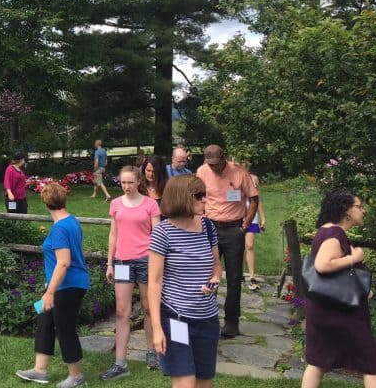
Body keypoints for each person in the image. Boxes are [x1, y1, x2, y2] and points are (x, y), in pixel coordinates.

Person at [148, 175, 222, 388]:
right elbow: (154, 282)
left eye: (205, 195)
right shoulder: (163, 233)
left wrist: (214, 279)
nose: (205, 200)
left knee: (203, 383)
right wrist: (157, 328)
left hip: (207, 319)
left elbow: (216, 266)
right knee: (186, 382)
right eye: (199, 196)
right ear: (182, 197)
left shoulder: (208, 227)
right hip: (176, 318)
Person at [302, 191, 376, 388]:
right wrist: (355, 257)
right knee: (372, 363)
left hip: (323, 308)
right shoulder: (334, 233)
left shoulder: (325, 230)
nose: (363, 211)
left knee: (317, 362)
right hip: (338, 312)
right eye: (359, 207)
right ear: (346, 211)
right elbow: (323, 265)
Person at [16, 182, 89, 388]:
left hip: (68, 286)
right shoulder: (71, 221)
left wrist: (49, 292)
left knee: (64, 328)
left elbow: (64, 262)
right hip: (62, 284)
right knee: (45, 322)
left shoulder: (59, 228)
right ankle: (40, 370)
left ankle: (76, 376)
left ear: (45, 203)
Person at [100, 165, 161, 380]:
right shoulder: (116, 204)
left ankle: (152, 351)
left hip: (146, 261)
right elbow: (113, 234)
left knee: (148, 308)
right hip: (123, 262)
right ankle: (120, 362)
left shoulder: (151, 204)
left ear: (138, 182)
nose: (126, 186)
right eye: (123, 182)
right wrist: (110, 263)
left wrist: (157, 263)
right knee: (122, 312)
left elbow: (158, 235)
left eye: (130, 182)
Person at [195, 144, 258, 338]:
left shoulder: (239, 173)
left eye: (216, 163)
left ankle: (232, 322)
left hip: (233, 229)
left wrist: (245, 226)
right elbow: (196, 196)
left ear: (224, 157)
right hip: (210, 226)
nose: (213, 167)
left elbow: (254, 199)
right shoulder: (202, 172)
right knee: (206, 275)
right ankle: (206, 319)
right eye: (210, 163)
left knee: (233, 277)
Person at [239, 160, 265, 290]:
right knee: (238, 247)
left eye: (245, 167)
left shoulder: (254, 179)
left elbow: (257, 200)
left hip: (252, 216)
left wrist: (263, 217)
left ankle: (252, 276)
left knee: (249, 245)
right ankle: (239, 274)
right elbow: (230, 198)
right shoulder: (233, 180)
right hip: (237, 216)